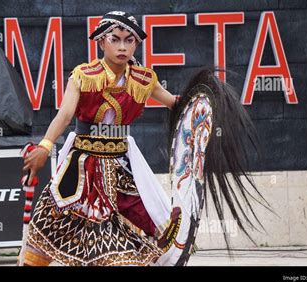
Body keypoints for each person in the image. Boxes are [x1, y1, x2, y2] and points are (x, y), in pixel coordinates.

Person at [21, 11, 268, 266]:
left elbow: (174, 103)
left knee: (140, 223)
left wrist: (206, 105)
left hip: (121, 167)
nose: (122, 47)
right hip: (82, 165)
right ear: (101, 42)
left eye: (129, 41)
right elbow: (64, 116)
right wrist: (45, 146)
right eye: (115, 39)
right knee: (49, 227)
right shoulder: (84, 75)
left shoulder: (143, 79)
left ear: (136, 44)